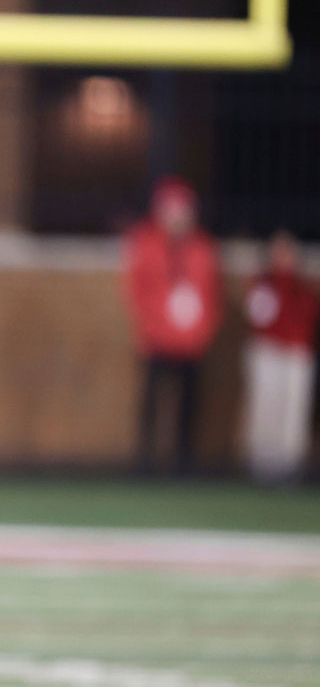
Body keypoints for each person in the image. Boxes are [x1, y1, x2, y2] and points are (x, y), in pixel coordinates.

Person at [122, 175, 222, 476]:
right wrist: (153, 325)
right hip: (157, 338)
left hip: (192, 340)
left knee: (189, 402)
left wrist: (203, 330)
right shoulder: (146, 242)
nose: (178, 217)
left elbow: (212, 293)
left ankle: (184, 458)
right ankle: (147, 457)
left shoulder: (202, 246)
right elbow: (137, 290)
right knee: (152, 399)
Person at [241, 230, 319, 484]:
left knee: (293, 409)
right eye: (279, 251)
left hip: (297, 355)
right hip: (268, 352)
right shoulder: (264, 283)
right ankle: (262, 462)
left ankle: (289, 463)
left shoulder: (303, 287)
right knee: (265, 406)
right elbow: (258, 316)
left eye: (289, 251)